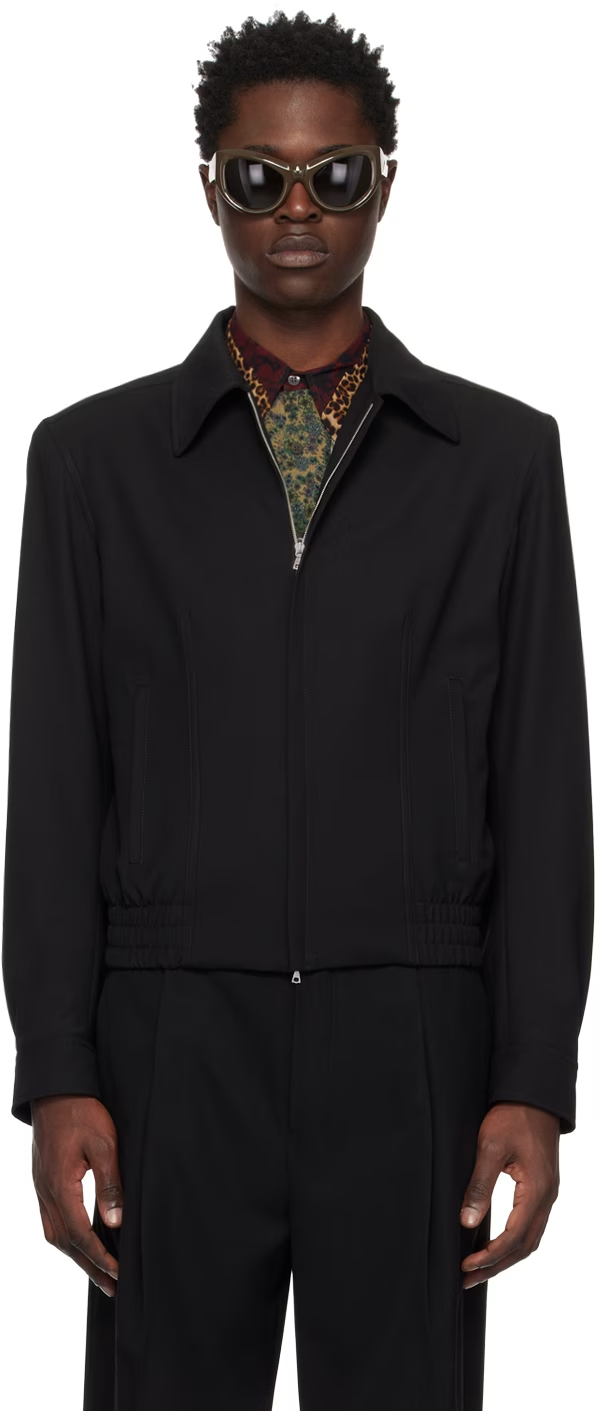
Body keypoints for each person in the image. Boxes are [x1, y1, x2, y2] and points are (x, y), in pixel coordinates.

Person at [1, 11, 594, 1411]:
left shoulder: (500, 463)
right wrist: (58, 1068)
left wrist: (532, 1077)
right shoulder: (91, 465)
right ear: (209, 185)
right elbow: (55, 784)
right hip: (169, 1045)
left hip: (415, 1046)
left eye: (334, 175)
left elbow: (543, 787)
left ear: (385, 181)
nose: (297, 211)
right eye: (259, 177)